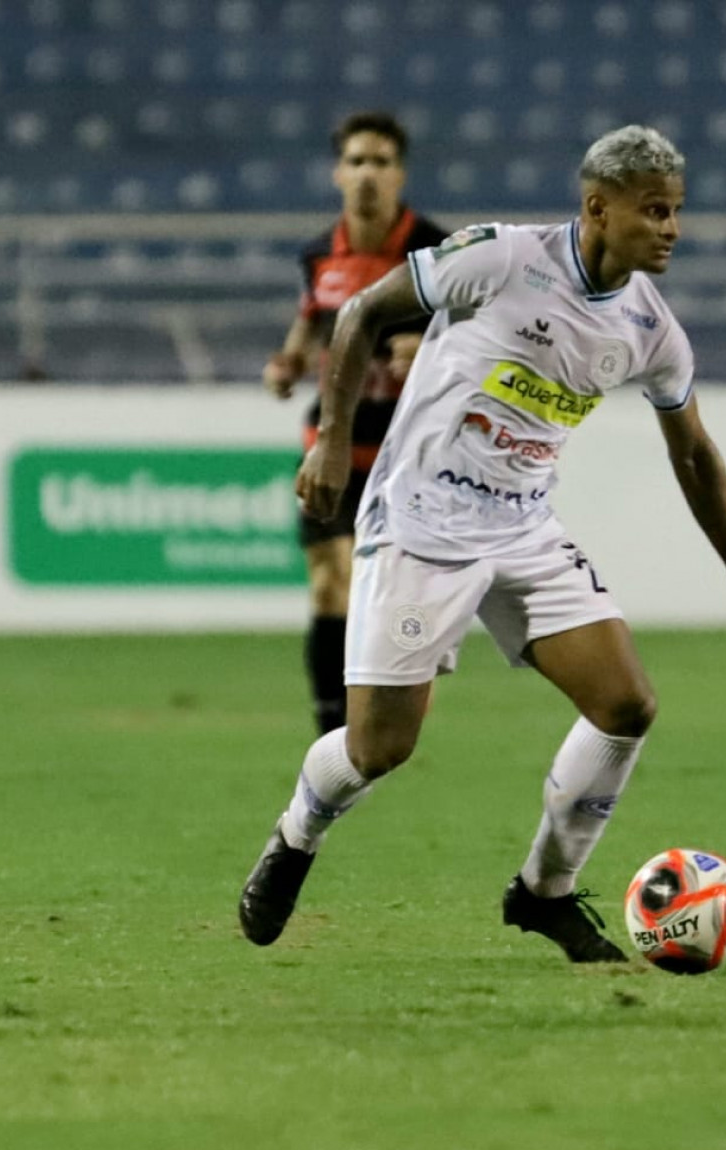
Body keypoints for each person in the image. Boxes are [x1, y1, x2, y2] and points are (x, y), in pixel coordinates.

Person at [238, 125, 726, 963]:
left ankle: (543, 891)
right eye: (653, 211)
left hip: (523, 527)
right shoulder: (500, 258)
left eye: (675, 211)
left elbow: (693, 451)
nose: (671, 229)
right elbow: (360, 311)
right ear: (597, 208)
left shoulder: (649, 327)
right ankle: (296, 833)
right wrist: (333, 441)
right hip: (419, 522)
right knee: (378, 748)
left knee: (626, 704)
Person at [264, 111, 448, 734]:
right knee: (329, 583)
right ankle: (331, 735)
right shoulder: (319, 255)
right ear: (338, 173)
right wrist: (287, 364)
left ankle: (386, 712)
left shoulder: (437, 251)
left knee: (397, 603)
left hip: (410, 459)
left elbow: (480, 338)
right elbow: (309, 325)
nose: (368, 173)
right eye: (357, 161)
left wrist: (431, 348)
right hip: (334, 449)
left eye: (381, 162)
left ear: (400, 174)